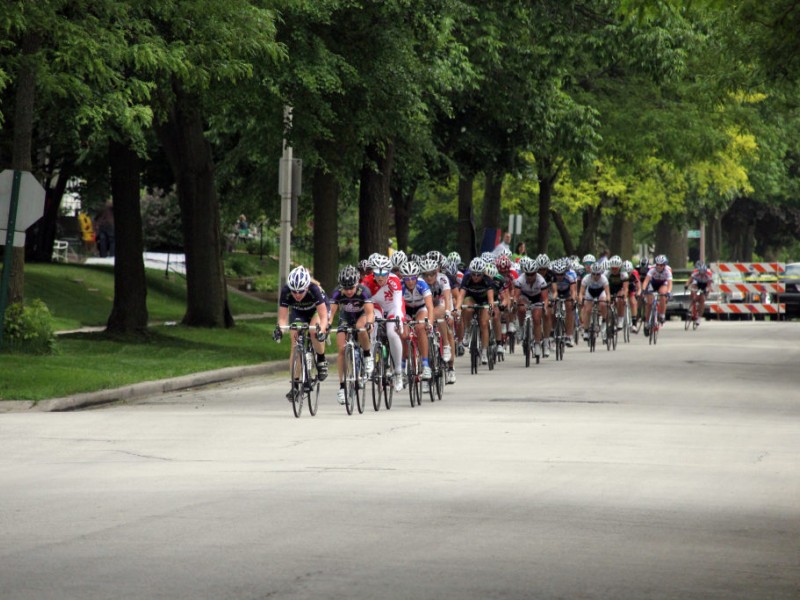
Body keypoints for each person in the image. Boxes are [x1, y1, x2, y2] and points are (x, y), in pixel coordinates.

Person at [273, 266, 330, 400]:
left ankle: (321, 359)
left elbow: (323, 317)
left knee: (313, 330)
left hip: (317, 311)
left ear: (306, 287)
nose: (297, 294)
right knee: (295, 344)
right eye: (294, 292)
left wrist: (321, 330)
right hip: (299, 312)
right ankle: (295, 385)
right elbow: (282, 318)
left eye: (300, 291)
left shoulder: (314, 289)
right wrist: (279, 330)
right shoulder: (286, 291)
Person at [329, 265, 375, 405]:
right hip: (346, 317)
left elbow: (370, 313)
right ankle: (342, 388)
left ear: (357, 284)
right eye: (345, 288)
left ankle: (367, 355)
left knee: (361, 328)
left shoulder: (363, 291)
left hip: (361, 316)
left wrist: (370, 323)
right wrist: (327, 324)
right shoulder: (337, 292)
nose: (348, 291)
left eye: (351, 288)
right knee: (342, 349)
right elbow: (331, 314)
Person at [362, 254, 405, 393]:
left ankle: (398, 372)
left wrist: (398, 318)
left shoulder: (394, 280)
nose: (380, 277)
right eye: (377, 274)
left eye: (383, 274)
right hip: (377, 306)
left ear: (389, 272)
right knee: (372, 325)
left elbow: (398, 304)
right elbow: (363, 302)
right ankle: (371, 358)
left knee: (392, 333)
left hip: (393, 307)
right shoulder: (367, 281)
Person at [399, 261, 435, 392]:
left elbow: (430, 306)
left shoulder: (422, 284)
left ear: (417, 277)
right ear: (403, 278)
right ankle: (402, 368)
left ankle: (425, 365)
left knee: (420, 328)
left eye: (413, 278)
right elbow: (398, 306)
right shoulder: (400, 286)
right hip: (406, 310)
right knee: (403, 334)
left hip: (421, 309)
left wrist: (429, 323)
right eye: (407, 278)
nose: (410, 281)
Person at [455, 257, 496, 365]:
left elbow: (491, 300)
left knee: (483, 323)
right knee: (467, 308)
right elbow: (461, 296)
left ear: (483, 274)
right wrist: (457, 308)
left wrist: (491, 310)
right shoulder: (467, 278)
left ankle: (484, 351)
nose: (476, 277)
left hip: (484, 301)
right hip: (471, 298)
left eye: (479, 274)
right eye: (474, 274)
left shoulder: (488, 280)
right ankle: (468, 330)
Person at [513, 256, 549, 358]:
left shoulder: (541, 280)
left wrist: (545, 307)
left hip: (537, 297)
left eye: (532, 274)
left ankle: (537, 344)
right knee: (521, 307)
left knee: (537, 318)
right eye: (527, 274)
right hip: (525, 296)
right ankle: (520, 326)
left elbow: (545, 298)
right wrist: (515, 302)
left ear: (536, 273)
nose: (529, 277)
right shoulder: (520, 280)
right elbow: (516, 296)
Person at [639, 254, 673, 334]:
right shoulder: (652, 269)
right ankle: (647, 322)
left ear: (664, 265)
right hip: (653, 284)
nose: (659, 267)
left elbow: (670, 284)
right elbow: (646, 281)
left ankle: (662, 315)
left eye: (661, 265)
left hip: (662, 284)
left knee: (663, 294)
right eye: (657, 264)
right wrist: (643, 290)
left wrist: (668, 292)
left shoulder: (668, 271)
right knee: (649, 303)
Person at [579, 261, 612, 341]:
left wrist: (608, 300)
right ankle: (586, 330)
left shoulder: (604, 279)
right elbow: (581, 292)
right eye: (593, 274)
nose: (596, 276)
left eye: (598, 274)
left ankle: (604, 322)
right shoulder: (586, 278)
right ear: (591, 272)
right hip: (590, 292)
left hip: (601, 292)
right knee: (587, 310)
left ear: (601, 273)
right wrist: (581, 300)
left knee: (603, 304)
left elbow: (607, 293)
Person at [686, 260, 713, 326]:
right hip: (697, 283)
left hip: (704, 284)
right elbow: (690, 280)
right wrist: (686, 285)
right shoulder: (695, 272)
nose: (702, 273)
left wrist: (707, 291)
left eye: (703, 272)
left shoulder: (709, 274)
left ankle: (699, 318)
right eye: (700, 272)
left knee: (702, 300)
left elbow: (709, 285)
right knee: (693, 292)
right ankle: (691, 307)